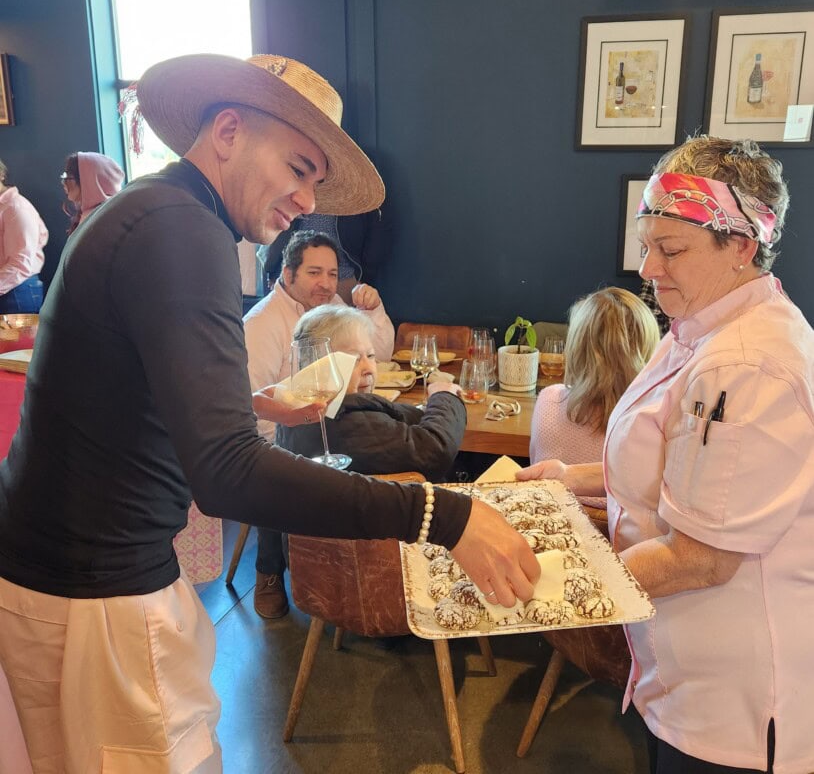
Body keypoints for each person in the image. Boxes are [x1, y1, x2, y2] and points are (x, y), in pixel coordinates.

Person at [0, 53, 538, 774]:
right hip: (102, 597)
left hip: (55, 572)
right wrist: (442, 516)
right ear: (228, 129)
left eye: (315, 181)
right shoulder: (182, 230)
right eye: (298, 167)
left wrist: (247, 399)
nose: (304, 200)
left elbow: (128, 384)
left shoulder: (149, 212)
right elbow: (226, 473)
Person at [520, 136, 813, 774]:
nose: (648, 269)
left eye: (671, 250)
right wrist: (571, 478)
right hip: (677, 670)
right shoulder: (697, 327)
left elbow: (700, 558)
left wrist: (553, 585)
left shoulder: (746, 364)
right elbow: (675, 463)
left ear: (741, 246)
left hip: (734, 704)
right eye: (646, 245)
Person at [243, 229, 395, 617]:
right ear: (288, 273)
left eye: (331, 273)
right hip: (274, 435)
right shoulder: (261, 324)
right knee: (282, 471)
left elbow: (380, 350)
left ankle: (362, 573)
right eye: (315, 273)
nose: (326, 283)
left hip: (329, 424)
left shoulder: (332, 308)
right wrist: (290, 436)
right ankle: (269, 573)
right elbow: (250, 406)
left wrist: (373, 309)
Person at [277, 303, 466, 479]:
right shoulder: (348, 424)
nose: (369, 367)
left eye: (370, 355)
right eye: (354, 359)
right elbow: (434, 450)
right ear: (318, 366)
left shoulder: (292, 407)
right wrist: (444, 396)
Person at [529, 287, 660, 508]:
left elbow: (535, 462)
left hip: (554, 522)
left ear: (577, 346)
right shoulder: (654, 415)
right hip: (622, 536)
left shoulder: (549, 399)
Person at [260, 205, 390, 304]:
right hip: (297, 277)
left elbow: (374, 240)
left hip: (343, 278)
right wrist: (273, 270)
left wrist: (364, 279)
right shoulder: (297, 190)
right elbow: (275, 231)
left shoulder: (355, 195)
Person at [0, 159, 48, 314]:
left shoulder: (15, 207)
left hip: (16, 294)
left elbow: (20, 264)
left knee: (13, 340)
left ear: (1, 175)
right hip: (8, 291)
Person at [61, 150, 125, 233]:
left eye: (68, 177)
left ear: (88, 181)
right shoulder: (90, 215)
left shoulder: (101, 221)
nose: (63, 182)